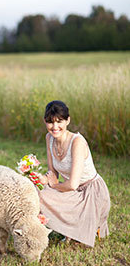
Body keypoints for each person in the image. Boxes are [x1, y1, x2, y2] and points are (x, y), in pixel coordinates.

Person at [38, 100, 110, 247]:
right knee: (37, 194)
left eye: (60, 121)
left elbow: (72, 184)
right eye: (50, 122)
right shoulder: (49, 138)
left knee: (48, 194)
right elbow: (53, 173)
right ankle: (69, 227)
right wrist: (42, 179)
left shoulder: (77, 142)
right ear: (45, 122)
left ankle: (85, 226)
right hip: (69, 189)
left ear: (68, 120)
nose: (55, 127)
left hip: (90, 192)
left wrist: (55, 184)